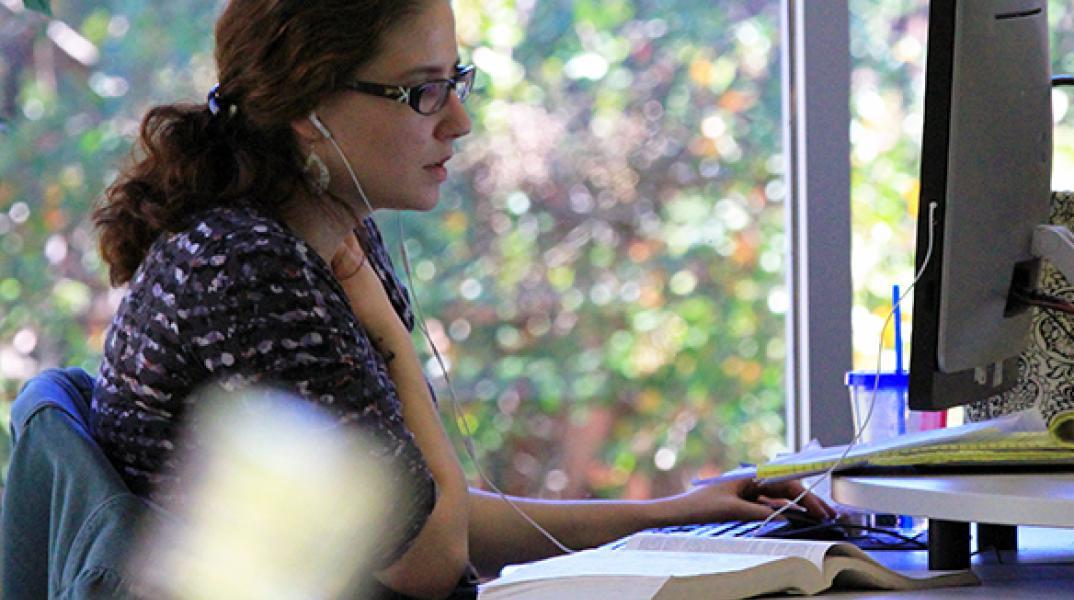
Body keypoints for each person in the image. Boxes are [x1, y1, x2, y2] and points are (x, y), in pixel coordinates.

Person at [89, 1, 833, 598]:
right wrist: (389, 332)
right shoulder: (246, 269)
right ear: (310, 109)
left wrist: (669, 514)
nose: (459, 120)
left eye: (456, 82)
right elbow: (428, 562)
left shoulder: (318, 235)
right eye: (423, 92)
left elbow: (420, 512)